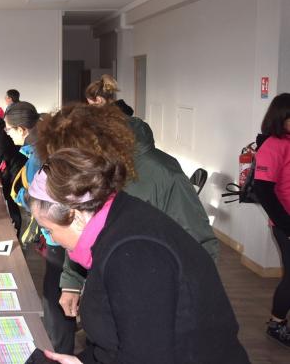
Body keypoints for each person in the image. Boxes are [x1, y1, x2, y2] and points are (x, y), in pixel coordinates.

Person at [28, 150, 249, 364]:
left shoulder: (134, 254)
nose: (51, 238)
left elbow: (146, 356)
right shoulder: (117, 221)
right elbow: (115, 344)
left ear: (74, 217)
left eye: (48, 229)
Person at [36, 104, 219, 319]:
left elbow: (201, 248)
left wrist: (172, 305)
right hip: (109, 291)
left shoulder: (163, 175)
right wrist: (72, 283)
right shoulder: (90, 175)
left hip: (155, 301)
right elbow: (79, 230)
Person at [5, 101, 76, 354]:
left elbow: (40, 199)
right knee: (57, 289)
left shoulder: (37, 155)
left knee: (54, 294)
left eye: (10, 130)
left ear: (22, 129)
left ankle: (59, 350)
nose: (8, 134)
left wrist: (19, 195)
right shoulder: (45, 145)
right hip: (62, 232)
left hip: (59, 236)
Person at [254, 92, 290, 347]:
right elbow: (264, 192)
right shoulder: (274, 145)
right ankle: (277, 324)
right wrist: (287, 225)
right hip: (286, 223)